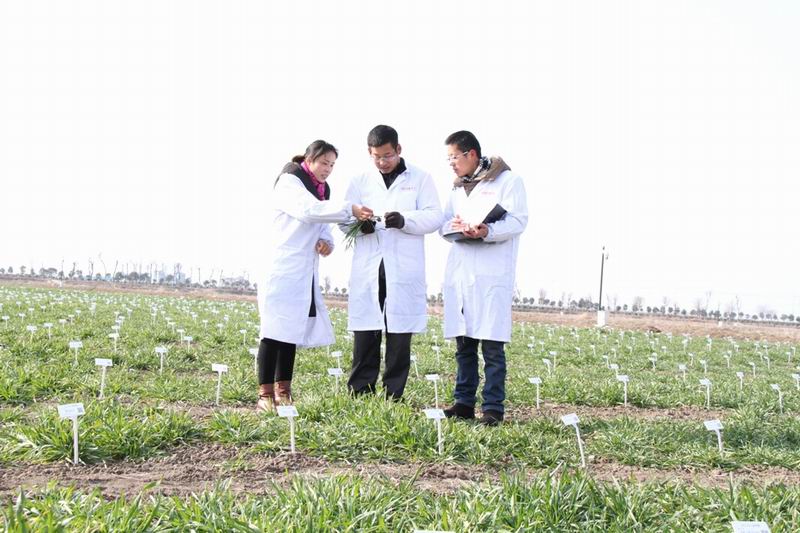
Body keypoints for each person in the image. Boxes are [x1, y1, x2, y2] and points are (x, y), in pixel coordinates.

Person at [256, 140, 373, 412]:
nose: (328, 169)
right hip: (281, 266)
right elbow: (308, 211)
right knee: (273, 331)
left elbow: (321, 223)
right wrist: (350, 209)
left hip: (303, 269)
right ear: (309, 160)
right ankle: (265, 395)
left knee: (291, 330)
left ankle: (284, 392)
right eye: (324, 163)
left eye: (332, 165)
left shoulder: (321, 189)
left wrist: (326, 242)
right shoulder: (290, 181)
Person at [340, 125, 443, 400]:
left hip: (402, 266)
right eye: (376, 157)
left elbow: (435, 216)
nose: (382, 162)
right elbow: (344, 217)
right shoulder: (359, 181)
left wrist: (405, 220)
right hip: (369, 264)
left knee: (399, 332)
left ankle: (393, 395)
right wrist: (359, 226)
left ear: (398, 149)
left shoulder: (421, 178)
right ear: (369, 153)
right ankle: (360, 391)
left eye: (387, 155)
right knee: (366, 327)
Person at [439, 130, 528, 426]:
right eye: (448, 159)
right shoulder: (457, 187)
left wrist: (488, 230)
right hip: (462, 271)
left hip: (492, 274)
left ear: (472, 154)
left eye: (454, 157)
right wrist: (455, 227)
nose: (451, 164)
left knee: (492, 346)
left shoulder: (508, 181)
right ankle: (463, 402)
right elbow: (443, 223)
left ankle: (492, 408)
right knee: (464, 344)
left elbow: (518, 220)